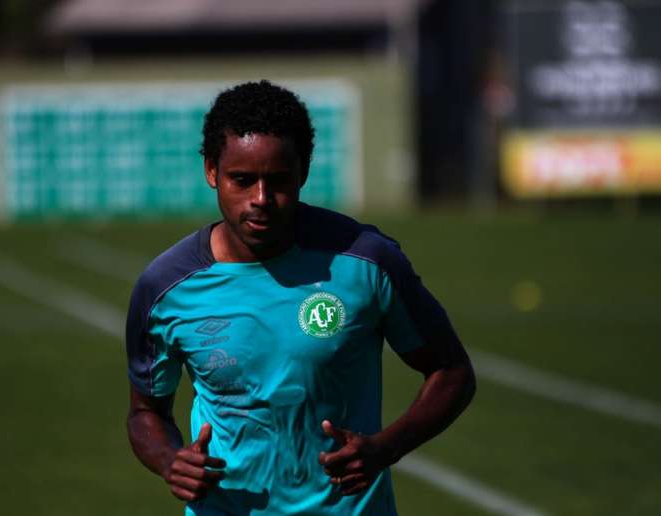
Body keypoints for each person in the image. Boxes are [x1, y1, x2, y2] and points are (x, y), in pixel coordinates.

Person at [126, 80, 476, 515]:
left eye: (278, 181)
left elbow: (452, 372)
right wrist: (170, 460)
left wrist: (385, 448)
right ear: (211, 170)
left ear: (304, 172)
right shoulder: (164, 288)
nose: (261, 199)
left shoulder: (366, 261)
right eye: (242, 180)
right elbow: (146, 412)